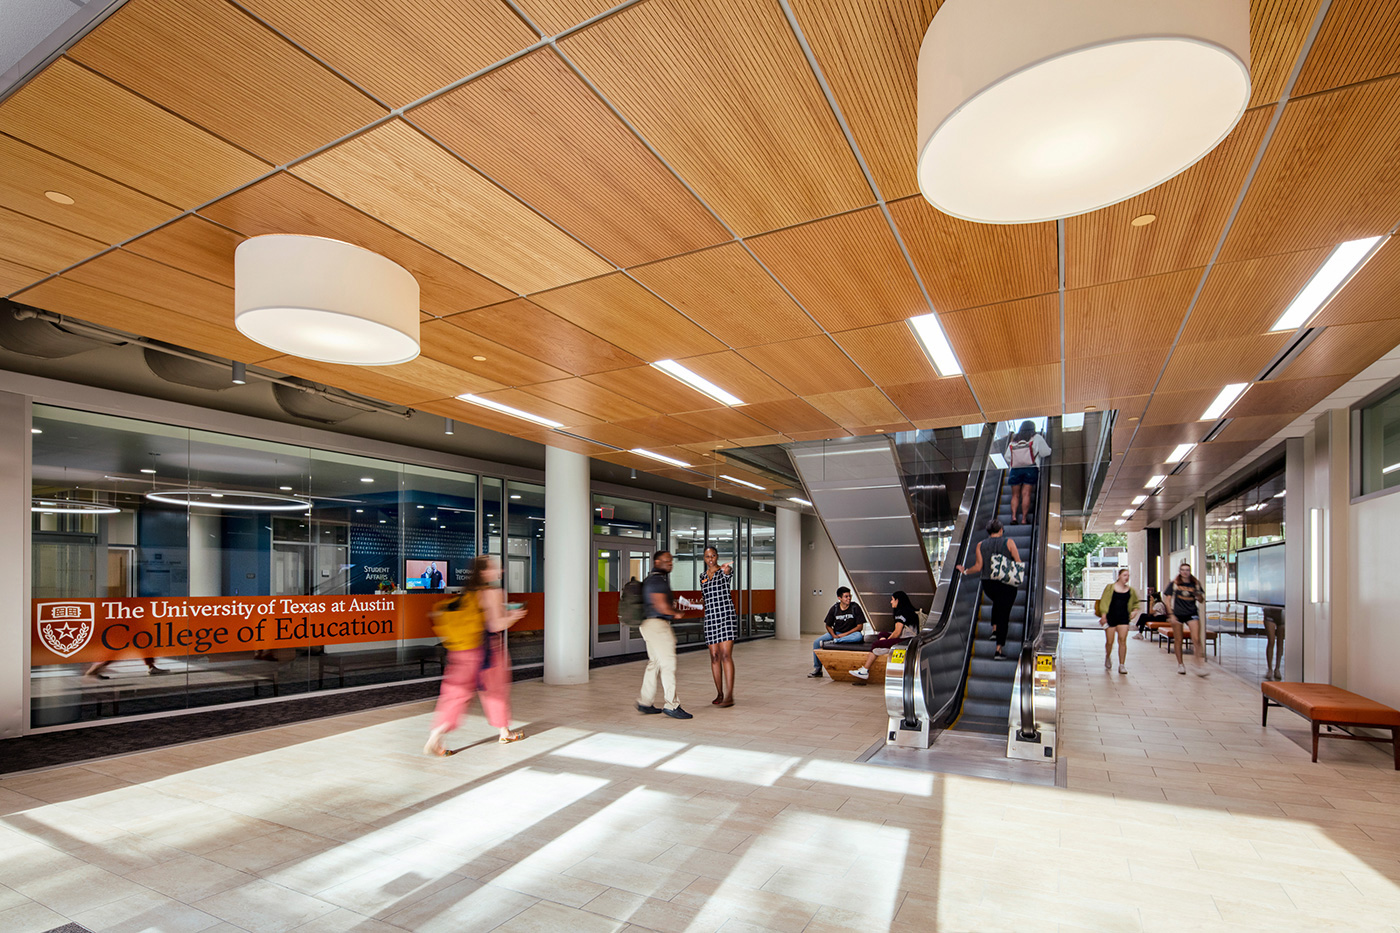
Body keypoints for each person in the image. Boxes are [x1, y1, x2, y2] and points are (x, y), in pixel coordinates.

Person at [424, 555, 525, 755]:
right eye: (494, 567)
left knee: (455, 695)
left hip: (462, 650)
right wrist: (514, 616)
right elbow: (496, 624)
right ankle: (504, 731)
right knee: (496, 692)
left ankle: (436, 735)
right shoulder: (493, 592)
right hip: (487, 651)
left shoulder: (468, 593)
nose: (500, 570)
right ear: (483, 572)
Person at [637, 550, 692, 719]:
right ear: (657, 562)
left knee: (654, 663)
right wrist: (676, 613)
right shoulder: (657, 581)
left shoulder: (652, 579)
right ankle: (672, 705)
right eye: (667, 561)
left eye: (671, 561)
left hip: (648, 624)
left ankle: (645, 702)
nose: (670, 563)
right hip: (658, 626)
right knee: (668, 664)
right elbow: (661, 606)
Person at [956, 519, 1020, 660]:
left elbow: (978, 567)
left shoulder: (981, 545)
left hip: (989, 584)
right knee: (1004, 613)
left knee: (997, 602)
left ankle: (994, 629)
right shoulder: (1008, 542)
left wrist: (965, 571)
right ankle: (998, 649)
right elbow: (1018, 561)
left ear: (988, 532)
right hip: (1006, 583)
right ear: (1001, 530)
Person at [850, 591, 919, 682]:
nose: (891, 602)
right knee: (882, 634)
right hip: (910, 638)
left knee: (876, 644)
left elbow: (897, 633)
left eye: (892, 599)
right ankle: (885, 648)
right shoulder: (910, 611)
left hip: (905, 640)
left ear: (897, 600)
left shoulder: (901, 613)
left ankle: (865, 670)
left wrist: (886, 641)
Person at [700, 546, 737, 708]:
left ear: (717, 556)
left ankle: (729, 695)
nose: (710, 559)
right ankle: (720, 693)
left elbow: (729, 573)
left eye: (713, 556)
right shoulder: (702, 576)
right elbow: (706, 596)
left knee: (725, 655)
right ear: (704, 558)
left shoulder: (723, 572)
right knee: (714, 657)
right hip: (710, 619)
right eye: (707, 556)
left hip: (726, 617)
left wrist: (727, 570)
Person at [808, 586, 867, 678]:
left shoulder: (855, 607)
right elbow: (828, 625)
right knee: (816, 643)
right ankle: (818, 669)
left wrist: (843, 636)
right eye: (846, 596)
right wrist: (834, 635)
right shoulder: (834, 608)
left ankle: (836, 642)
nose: (849, 598)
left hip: (850, 634)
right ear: (839, 598)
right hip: (836, 634)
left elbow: (859, 627)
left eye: (849, 596)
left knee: (859, 636)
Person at [1164, 561, 1209, 677]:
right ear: (1180, 571)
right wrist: (1171, 614)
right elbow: (1167, 600)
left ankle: (1198, 664)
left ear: (1190, 571)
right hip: (1178, 614)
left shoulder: (1195, 583)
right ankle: (1180, 664)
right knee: (1178, 640)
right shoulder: (1174, 583)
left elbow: (1201, 600)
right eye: (1183, 570)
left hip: (1192, 613)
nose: (1185, 572)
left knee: (1196, 638)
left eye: (1187, 570)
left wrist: (1197, 594)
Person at [1006, 420, 1051, 525]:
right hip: (1030, 468)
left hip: (1015, 469)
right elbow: (1045, 452)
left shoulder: (1014, 440)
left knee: (1015, 495)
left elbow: (1007, 457)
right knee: (1026, 493)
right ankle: (1024, 519)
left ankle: (1013, 517)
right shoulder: (1036, 438)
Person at [1096, 568, 1139, 674]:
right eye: (1125, 575)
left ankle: (1122, 665)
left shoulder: (1131, 590)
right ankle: (1108, 655)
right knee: (1110, 642)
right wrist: (1103, 616)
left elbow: (1135, 603)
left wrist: (1135, 610)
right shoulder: (1110, 588)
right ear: (1119, 576)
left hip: (1124, 618)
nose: (1127, 577)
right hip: (1111, 617)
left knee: (1122, 640)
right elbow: (1104, 601)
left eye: (1128, 575)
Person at [1262, 606, 1285, 680]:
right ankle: (1270, 668)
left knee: (1280, 642)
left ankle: (1277, 668)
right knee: (1271, 641)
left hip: (1282, 613)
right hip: (1270, 612)